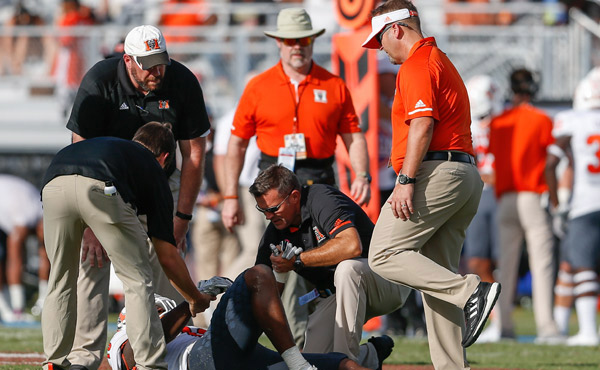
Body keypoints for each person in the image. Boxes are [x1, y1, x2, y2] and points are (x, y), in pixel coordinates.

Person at [362, 1, 501, 369]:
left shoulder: (418, 62)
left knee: (383, 253)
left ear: (396, 29)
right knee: (435, 280)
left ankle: (472, 291)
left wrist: (405, 180)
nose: (380, 48)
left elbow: (422, 124)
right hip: (462, 173)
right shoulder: (436, 59)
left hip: (438, 171)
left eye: (379, 39)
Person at [65, 24, 211, 369]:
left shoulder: (181, 81)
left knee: (166, 262)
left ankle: (161, 352)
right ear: (128, 60)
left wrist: (182, 218)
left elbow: (194, 154)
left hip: (161, 184)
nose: (157, 71)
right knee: (92, 261)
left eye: (161, 62)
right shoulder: (100, 81)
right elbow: (80, 151)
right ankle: (85, 355)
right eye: (149, 64)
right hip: (105, 185)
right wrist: (88, 221)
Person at [41, 121, 213, 370]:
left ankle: (53, 362)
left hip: (53, 180)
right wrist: (193, 297)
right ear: (165, 158)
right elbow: (167, 255)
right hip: (101, 185)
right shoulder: (152, 170)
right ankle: (149, 365)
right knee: (138, 280)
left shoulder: (117, 149)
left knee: (60, 280)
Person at [222, 7, 371, 234]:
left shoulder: (334, 85)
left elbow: (354, 136)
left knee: (324, 247)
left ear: (312, 40)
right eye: (290, 41)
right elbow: (237, 143)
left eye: (303, 39)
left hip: (318, 177)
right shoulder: (258, 86)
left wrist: (361, 175)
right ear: (278, 42)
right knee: (278, 254)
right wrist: (231, 195)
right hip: (272, 180)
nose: (297, 46)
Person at [251, 164, 408, 369]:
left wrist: (297, 261)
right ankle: (371, 354)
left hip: (386, 281)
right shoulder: (276, 228)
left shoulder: (320, 197)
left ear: (295, 196)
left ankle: (347, 363)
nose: (268, 217)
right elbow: (262, 286)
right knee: (314, 362)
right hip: (336, 295)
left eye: (273, 209)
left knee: (348, 269)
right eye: (262, 210)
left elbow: (351, 246)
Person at [108, 266, 390, 370]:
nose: (162, 316)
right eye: (158, 313)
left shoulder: (181, 329)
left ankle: (368, 358)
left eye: (162, 311)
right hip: (203, 360)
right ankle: (296, 361)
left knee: (341, 363)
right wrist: (187, 304)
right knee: (257, 276)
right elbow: (135, 353)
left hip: (242, 357)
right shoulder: (123, 336)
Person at [488, 68, 561, 344]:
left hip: (505, 197)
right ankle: (547, 327)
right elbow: (550, 161)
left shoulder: (498, 122)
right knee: (541, 264)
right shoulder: (542, 120)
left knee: (505, 265)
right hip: (531, 196)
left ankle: (504, 325)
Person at [545, 67, 600, 346]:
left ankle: (589, 331)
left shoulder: (572, 121)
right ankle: (561, 327)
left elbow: (553, 162)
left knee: (582, 266)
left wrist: (556, 204)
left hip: (584, 201)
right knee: (569, 264)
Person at [462, 74, 504, 342]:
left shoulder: (504, 123)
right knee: (477, 261)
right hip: (479, 196)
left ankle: (502, 321)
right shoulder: (468, 126)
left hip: (498, 195)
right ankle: (497, 318)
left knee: (500, 262)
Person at [0, 174, 49, 322]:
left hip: (13, 202)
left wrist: (43, 300)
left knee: (47, 251)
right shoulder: (25, 217)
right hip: (11, 207)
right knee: (9, 255)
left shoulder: (42, 213)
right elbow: (15, 258)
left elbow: (46, 257)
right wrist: (19, 308)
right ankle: (13, 310)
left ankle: (43, 301)